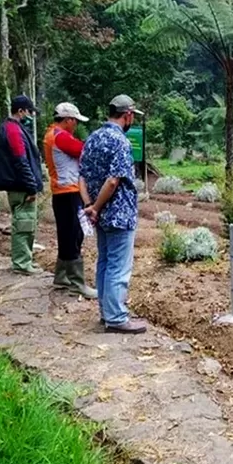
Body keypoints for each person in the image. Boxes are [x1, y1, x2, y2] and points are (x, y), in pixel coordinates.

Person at [79, 95, 147, 334]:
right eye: (132, 117)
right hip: (119, 213)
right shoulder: (121, 141)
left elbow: (82, 176)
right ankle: (117, 317)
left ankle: (106, 312)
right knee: (119, 266)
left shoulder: (92, 138)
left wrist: (90, 206)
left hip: (100, 216)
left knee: (104, 262)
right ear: (127, 115)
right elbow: (113, 180)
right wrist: (96, 206)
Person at [43, 102, 97, 298]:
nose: (76, 125)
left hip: (63, 192)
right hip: (68, 192)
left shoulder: (53, 134)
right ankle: (77, 282)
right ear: (68, 120)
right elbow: (83, 150)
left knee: (68, 235)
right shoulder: (61, 137)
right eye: (75, 121)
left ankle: (61, 276)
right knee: (73, 236)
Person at [0, 95, 44, 275]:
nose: (31, 116)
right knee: (24, 224)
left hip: (16, 184)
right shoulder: (14, 131)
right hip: (21, 186)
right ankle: (22, 263)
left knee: (25, 223)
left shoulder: (10, 128)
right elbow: (20, 160)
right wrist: (31, 186)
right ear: (21, 111)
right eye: (29, 112)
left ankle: (25, 259)